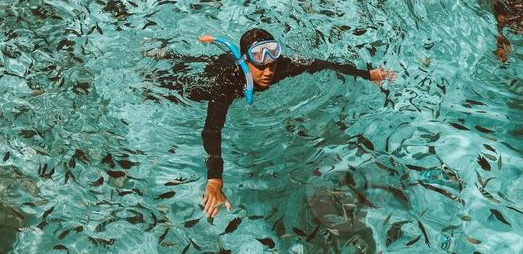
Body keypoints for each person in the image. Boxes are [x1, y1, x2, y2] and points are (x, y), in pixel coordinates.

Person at [152, 29, 392, 221]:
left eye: (272, 65)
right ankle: (165, 57)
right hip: (207, 80)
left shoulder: (283, 66)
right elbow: (212, 129)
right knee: (179, 86)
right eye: (261, 67)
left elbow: (324, 65)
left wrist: (368, 74)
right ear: (246, 62)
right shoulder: (227, 83)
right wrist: (215, 178)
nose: (268, 72)